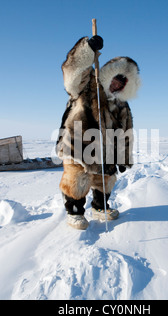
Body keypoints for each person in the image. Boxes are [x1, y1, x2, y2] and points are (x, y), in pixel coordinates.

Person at [56, 35, 141, 230]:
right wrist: (87, 51)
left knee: (106, 180)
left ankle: (100, 207)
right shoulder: (87, 86)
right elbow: (72, 73)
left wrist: (123, 158)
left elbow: (126, 132)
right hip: (78, 144)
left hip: (106, 151)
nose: (117, 84)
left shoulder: (122, 105)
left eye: (123, 82)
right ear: (109, 74)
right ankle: (74, 212)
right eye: (116, 78)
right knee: (77, 180)